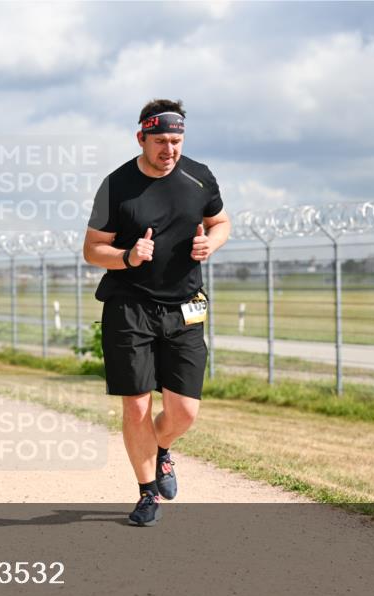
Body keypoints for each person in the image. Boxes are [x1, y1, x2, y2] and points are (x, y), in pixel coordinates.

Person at [82, 99, 231, 527]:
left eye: (176, 141)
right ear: (141, 138)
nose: (170, 150)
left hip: (185, 307)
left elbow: (221, 222)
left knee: (184, 411)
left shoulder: (199, 177)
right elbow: (92, 249)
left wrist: (210, 244)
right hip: (129, 307)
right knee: (136, 407)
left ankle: (161, 448)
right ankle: (147, 492)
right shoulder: (116, 186)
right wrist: (128, 256)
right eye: (161, 141)